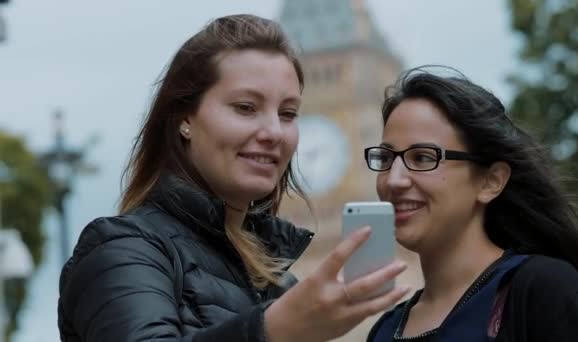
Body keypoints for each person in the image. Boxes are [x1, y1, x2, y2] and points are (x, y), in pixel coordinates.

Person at [57, 14, 410, 342]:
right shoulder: (120, 250)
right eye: (245, 107)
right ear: (185, 119)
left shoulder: (279, 281)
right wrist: (274, 328)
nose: (274, 131)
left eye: (288, 113)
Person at [365, 66, 578, 341]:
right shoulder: (384, 330)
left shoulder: (541, 289)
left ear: (491, 182)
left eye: (422, 158)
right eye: (385, 159)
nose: (394, 180)